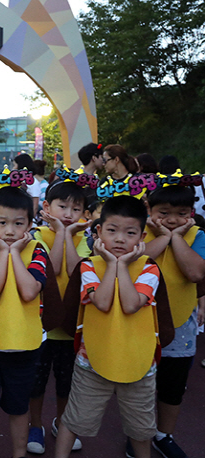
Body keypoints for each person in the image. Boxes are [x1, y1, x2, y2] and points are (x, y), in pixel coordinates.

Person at [54, 196, 164, 458]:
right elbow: (102, 302)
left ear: (142, 236)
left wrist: (120, 265)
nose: (119, 239)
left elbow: (130, 304)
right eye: (112, 230)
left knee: (141, 429)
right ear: (99, 231)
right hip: (91, 359)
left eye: (129, 233)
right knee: (74, 420)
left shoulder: (149, 269)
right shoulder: (89, 266)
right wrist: (114, 264)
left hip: (139, 362)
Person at [0, 185, 54, 458]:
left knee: (19, 410)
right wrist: (3, 253)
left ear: (29, 224)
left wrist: (13, 253)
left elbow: (30, 291)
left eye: (18, 224)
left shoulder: (37, 251)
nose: (10, 231)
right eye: (2, 223)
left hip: (25, 345)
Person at [138, 183, 205, 457]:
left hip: (180, 325)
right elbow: (134, 262)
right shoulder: (139, 232)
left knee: (172, 385)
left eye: (181, 213)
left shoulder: (197, 235)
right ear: (150, 210)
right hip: (139, 322)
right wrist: (164, 237)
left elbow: (195, 273)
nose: (173, 219)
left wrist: (175, 237)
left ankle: (163, 435)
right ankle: (139, 434)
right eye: (164, 212)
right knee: (139, 385)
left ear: (191, 212)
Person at [27, 181, 90, 454]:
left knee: (67, 385)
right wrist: (62, 234)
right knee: (36, 383)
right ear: (46, 208)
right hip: (41, 327)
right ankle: (35, 425)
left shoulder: (84, 240)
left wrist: (66, 235)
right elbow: (49, 271)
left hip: (70, 327)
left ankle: (62, 423)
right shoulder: (36, 237)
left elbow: (78, 272)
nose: (68, 213)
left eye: (76, 208)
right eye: (62, 206)